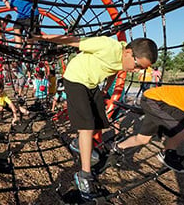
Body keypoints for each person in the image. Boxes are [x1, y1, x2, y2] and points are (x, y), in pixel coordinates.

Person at [30, 33, 158, 200]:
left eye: (141, 69)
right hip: (75, 79)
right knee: (87, 126)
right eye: (138, 66)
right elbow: (73, 40)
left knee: (101, 121)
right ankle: (84, 175)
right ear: (128, 53)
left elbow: (114, 71)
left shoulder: (124, 60)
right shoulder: (107, 46)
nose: (136, 71)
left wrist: (106, 88)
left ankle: (79, 143)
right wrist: (42, 37)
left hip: (91, 83)